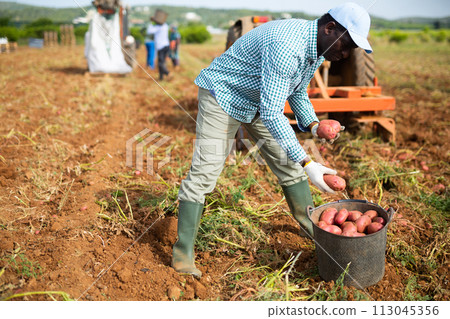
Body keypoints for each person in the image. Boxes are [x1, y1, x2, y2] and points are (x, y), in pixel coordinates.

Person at [172, 2, 373, 278]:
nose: (347, 53)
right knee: (205, 173)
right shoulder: (288, 46)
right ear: (330, 28)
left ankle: (312, 229)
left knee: (288, 165)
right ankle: (182, 254)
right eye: (347, 45)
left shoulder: (316, 47)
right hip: (224, 94)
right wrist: (307, 161)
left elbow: (298, 91)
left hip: (257, 100)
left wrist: (314, 126)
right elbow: (271, 112)